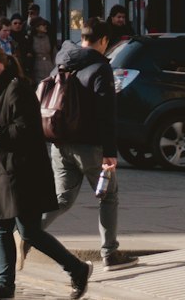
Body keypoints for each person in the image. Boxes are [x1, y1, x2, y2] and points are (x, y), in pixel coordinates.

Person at [0, 42, 92, 300]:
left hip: (23, 174)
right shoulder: (2, 90)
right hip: (9, 172)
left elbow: (25, 131)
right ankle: (7, 284)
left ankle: (76, 269)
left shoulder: (17, 89)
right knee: (4, 226)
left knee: (24, 231)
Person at [42, 16, 126, 272]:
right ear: (103, 41)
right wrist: (110, 153)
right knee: (108, 197)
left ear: (83, 36)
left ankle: (24, 230)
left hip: (59, 143)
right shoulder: (100, 68)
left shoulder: (62, 62)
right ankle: (110, 253)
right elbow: (106, 114)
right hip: (91, 146)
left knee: (62, 199)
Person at [29, 17, 56, 82]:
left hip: (50, 67)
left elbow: (54, 53)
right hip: (37, 68)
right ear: (37, 27)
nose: (45, 26)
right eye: (43, 25)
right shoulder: (30, 39)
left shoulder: (49, 38)